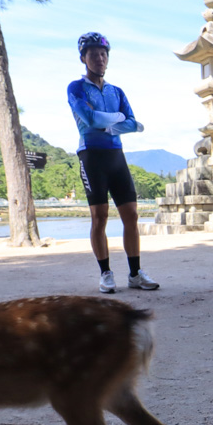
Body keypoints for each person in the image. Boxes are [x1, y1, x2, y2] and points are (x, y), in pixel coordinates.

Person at [67, 32, 158, 293]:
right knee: (100, 217)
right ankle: (105, 273)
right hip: (91, 156)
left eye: (103, 54)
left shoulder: (116, 91)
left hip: (116, 156)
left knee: (131, 214)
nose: (99, 58)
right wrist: (116, 119)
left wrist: (109, 124)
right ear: (83, 58)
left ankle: (135, 273)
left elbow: (133, 124)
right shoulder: (76, 87)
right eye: (93, 54)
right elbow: (90, 119)